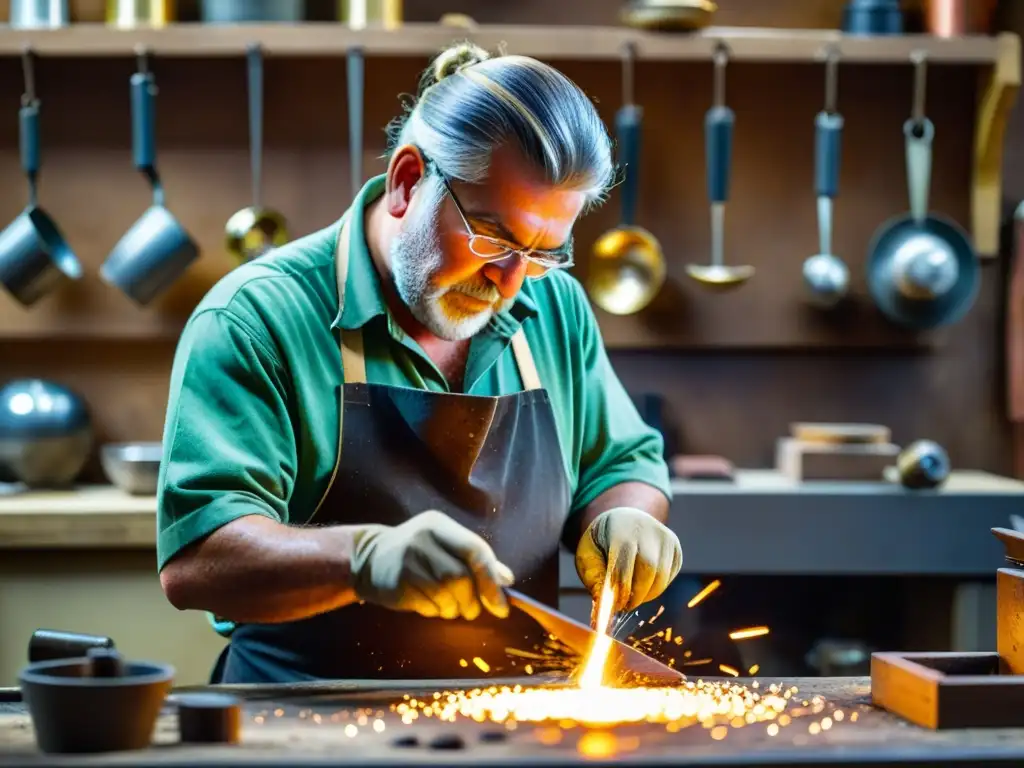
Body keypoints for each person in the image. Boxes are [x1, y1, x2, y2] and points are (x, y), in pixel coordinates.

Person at [155, 41, 682, 684]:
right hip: (303, 719)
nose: (511, 281)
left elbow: (621, 462)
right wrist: (361, 559)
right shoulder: (254, 319)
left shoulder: (556, 307)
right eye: (492, 236)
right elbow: (197, 560)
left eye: (543, 252)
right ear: (408, 181)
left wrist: (621, 517)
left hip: (507, 718)